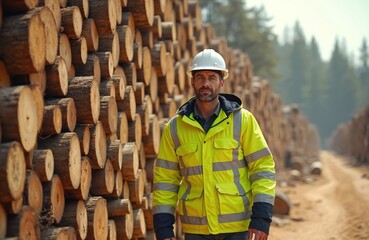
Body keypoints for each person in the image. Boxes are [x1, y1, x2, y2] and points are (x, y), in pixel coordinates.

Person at [152, 49, 276, 240]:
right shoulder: (175, 128)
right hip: (196, 230)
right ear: (192, 81)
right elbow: (165, 181)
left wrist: (261, 219)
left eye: (212, 77)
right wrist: (163, 228)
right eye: (200, 77)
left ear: (222, 82)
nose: (206, 83)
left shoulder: (243, 121)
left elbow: (263, 168)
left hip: (237, 228)